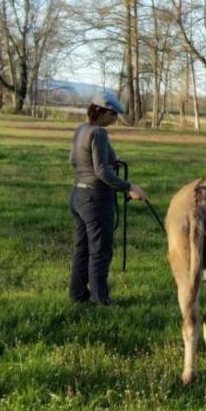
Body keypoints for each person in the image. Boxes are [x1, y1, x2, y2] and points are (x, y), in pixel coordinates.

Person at [69, 90, 145, 305]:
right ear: (100, 112)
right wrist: (129, 187)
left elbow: (74, 160)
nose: (115, 119)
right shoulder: (99, 134)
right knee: (100, 251)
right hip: (96, 199)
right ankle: (101, 300)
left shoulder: (81, 129)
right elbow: (101, 172)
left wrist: (110, 162)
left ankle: (77, 295)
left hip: (78, 195)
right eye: (112, 115)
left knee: (82, 249)